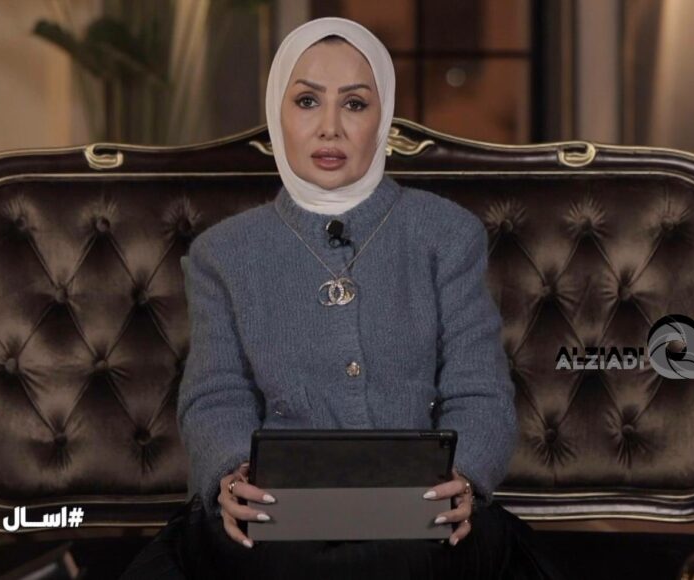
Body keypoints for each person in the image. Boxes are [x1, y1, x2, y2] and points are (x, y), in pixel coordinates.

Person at [121, 16, 563, 580]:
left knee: (412, 556)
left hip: (420, 508)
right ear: (278, 114)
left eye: (354, 104)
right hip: (276, 511)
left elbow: (479, 389)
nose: (329, 128)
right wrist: (231, 475)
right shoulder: (223, 253)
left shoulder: (447, 234)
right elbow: (215, 395)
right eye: (307, 101)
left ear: (383, 118)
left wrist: (466, 477)